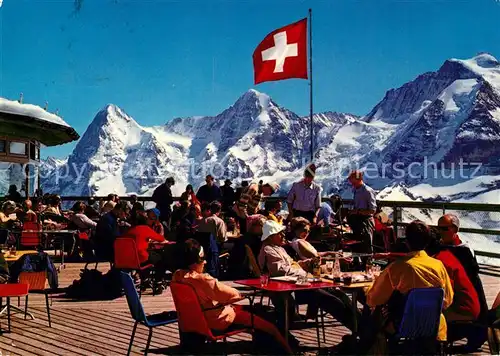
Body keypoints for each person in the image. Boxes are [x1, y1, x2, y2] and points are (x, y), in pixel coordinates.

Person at [172, 239, 292, 354]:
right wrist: (242, 294)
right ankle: (287, 349)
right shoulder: (203, 279)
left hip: (196, 321)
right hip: (218, 320)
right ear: (195, 261)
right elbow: (231, 295)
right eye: (202, 259)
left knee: (253, 310)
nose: (205, 262)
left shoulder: (177, 276)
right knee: (265, 316)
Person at [258, 220, 358, 334]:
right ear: (271, 236)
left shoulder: (278, 248)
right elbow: (281, 271)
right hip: (291, 289)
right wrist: (304, 271)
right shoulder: (268, 249)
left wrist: (305, 263)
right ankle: (358, 329)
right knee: (332, 300)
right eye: (279, 233)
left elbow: (291, 265)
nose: (283, 235)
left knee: (340, 294)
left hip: (300, 284)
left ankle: (360, 324)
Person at [365, 220, 454, 344]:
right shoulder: (438, 266)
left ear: (406, 242)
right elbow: (447, 300)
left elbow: (374, 299)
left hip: (403, 327)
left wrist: (367, 289)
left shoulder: (397, 267)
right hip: (435, 328)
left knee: (373, 318)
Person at [437, 214, 488, 350]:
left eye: (444, 229)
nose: (440, 232)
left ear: (455, 229)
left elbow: (473, 279)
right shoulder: (439, 247)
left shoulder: (464, 251)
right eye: (439, 229)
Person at [123, 214, 172, 293]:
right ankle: (158, 282)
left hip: (130, 260)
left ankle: (144, 280)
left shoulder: (129, 230)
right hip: (141, 257)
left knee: (149, 257)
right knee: (160, 259)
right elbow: (160, 238)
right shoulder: (145, 229)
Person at [347, 170, 377, 254]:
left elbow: (372, 210)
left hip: (366, 221)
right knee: (357, 244)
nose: (352, 184)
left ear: (359, 179)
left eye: (353, 182)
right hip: (357, 221)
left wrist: (358, 211)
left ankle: (368, 263)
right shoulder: (356, 190)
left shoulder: (367, 191)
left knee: (367, 245)